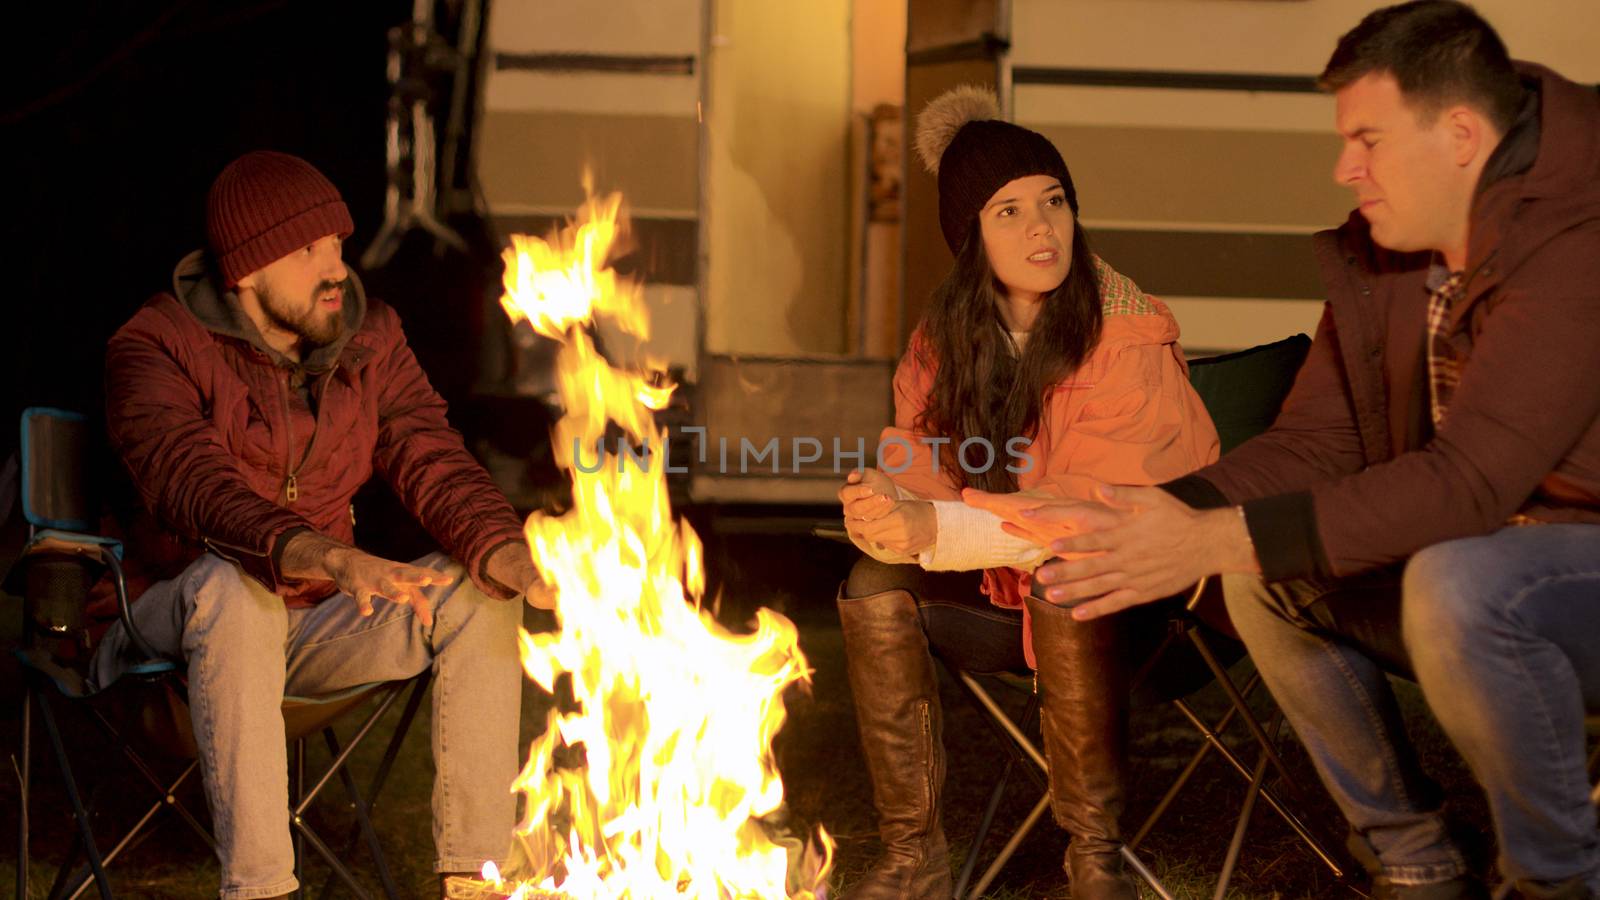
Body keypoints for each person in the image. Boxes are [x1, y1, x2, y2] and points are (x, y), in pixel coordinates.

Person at [966, 3, 1600, 897]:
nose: (1346, 168)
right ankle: (1415, 856)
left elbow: (1470, 485)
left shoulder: (1578, 234)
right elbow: (1318, 440)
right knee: (1262, 568)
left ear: (1461, 135)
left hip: (1569, 562)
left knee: (1456, 581)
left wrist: (1217, 538)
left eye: (1368, 140)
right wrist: (1166, 514)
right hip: (1485, 555)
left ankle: (1560, 880)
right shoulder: (1393, 253)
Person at [87, 150, 551, 900]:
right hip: (168, 626)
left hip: (309, 632)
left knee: (473, 587)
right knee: (234, 592)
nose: (337, 267)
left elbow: (430, 452)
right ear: (245, 272)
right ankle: (264, 889)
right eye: (308, 252)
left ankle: (476, 875)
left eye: (337, 243)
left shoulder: (370, 341)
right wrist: (328, 557)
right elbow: (191, 485)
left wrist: (508, 554)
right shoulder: (154, 346)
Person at [835, 86, 1219, 899]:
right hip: (1006, 582)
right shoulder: (946, 339)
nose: (1042, 229)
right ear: (970, 237)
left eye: (1055, 202)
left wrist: (935, 527)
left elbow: (1093, 513)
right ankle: (914, 858)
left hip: (1143, 597)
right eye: (1008, 211)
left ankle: (1095, 858)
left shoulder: (1126, 333)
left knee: (1063, 572)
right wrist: (885, 512)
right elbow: (922, 463)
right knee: (873, 586)